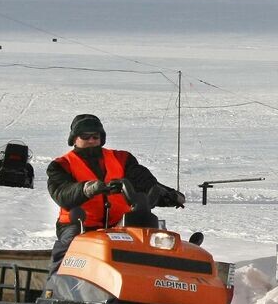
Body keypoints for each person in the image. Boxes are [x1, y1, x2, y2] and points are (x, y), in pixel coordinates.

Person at [47, 113, 185, 272]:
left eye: (95, 136)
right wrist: (88, 189)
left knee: (154, 245)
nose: (91, 140)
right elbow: (62, 194)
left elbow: (143, 180)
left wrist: (167, 194)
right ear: (74, 139)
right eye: (85, 136)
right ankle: (55, 280)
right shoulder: (61, 165)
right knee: (69, 247)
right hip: (80, 224)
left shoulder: (121, 158)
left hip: (121, 224)